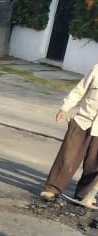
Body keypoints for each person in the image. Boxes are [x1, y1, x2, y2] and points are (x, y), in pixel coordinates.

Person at [40, 63, 98, 206]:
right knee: (67, 156)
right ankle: (52, 189)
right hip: (82, 121)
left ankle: (83, 195)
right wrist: (65, 108)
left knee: (93, 164)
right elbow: (79, 90)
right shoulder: (96, 69)